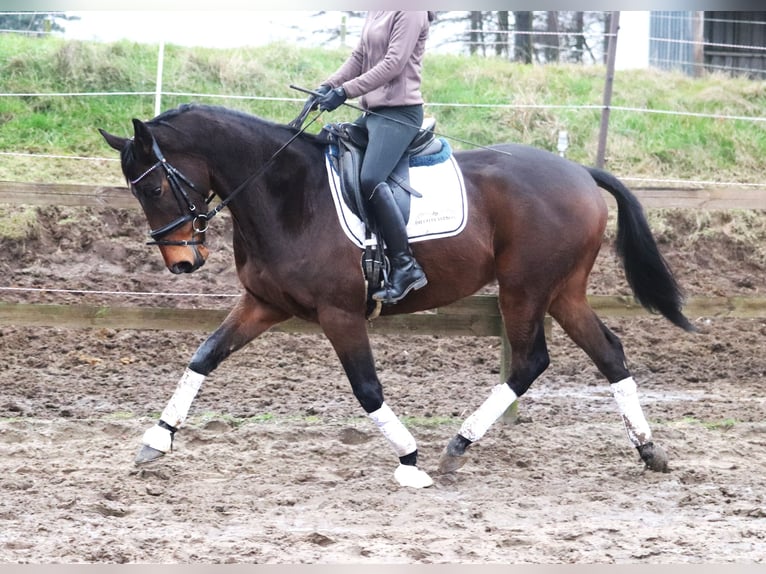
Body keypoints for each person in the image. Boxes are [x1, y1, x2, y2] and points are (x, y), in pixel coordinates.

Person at [309, 11, 435, 304]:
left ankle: (406, 265)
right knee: (328, 147)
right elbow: (359, 57)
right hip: (375, 114)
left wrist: (345, 92)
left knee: (370, 178)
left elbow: (393, 63)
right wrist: (328, 86)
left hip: (400, 114)